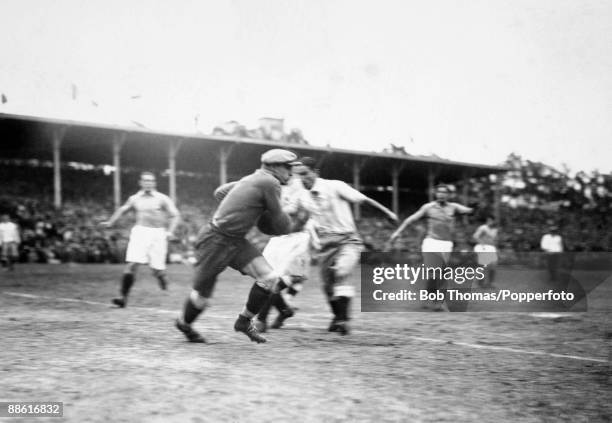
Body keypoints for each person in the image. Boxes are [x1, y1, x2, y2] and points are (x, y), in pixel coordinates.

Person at [174, 149, 299, 344]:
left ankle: (243, 322)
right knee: (202, 298)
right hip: (215, 240)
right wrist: (291, 224)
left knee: (269, 278)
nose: (291, 173)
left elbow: (220, 192)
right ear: (274, 167)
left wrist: (245, 206)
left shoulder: (251, 179)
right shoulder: (270, 182)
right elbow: (280, 222)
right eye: (287, 168)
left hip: (235, 240)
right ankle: (184, 323)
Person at [291, 157, 398, 335]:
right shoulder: (301, 195)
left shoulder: (334, 186)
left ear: (315, 172)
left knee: (341, 271)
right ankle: (337, 316)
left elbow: (363, 199)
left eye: (305, 174)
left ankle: (343, 320)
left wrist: (388, 213)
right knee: (327, 286)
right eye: (298, 175)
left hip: (348, 240)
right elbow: (290, 212)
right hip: (325, 245)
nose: (302, 179)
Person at [101, 172, 180, 308]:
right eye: (145, 180)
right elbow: (123, 209)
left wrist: (170, 232)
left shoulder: (162, 198)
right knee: (132, 264)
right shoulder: (135, 198)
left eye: (151, 180)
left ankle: (161, 277)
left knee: (157, 270)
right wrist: (110, 222)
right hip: (140, 232)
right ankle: (123, 297)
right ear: (141, 183)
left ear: (154, 183)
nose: (148, 183)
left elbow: (175, 215)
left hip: (158, 234)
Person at [388, 184, 473, 311]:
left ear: (448, 195)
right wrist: (397, 233)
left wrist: (474, 209)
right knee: (434, 273)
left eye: (444, 192)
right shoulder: (428, 207)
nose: (441, 194)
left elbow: (469, 210)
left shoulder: (454, 207)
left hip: (446, 243)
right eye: (439, 192)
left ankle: (432, 299)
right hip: (431, 242)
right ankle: (435, 301)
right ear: (435, 193)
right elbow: (410, 220)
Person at [472, 215, 499, 288]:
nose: (489, 222)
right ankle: (480, 283)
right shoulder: (483, 227)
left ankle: (491, 283)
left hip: (491, 248)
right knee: (483, 265)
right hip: (484, 247)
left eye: (491, 220)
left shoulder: (495, 229)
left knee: (493, 265)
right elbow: (475, 236)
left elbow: (493, 239)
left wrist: (495, 247)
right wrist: (482, 244)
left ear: (493, 221)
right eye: (488, 220)